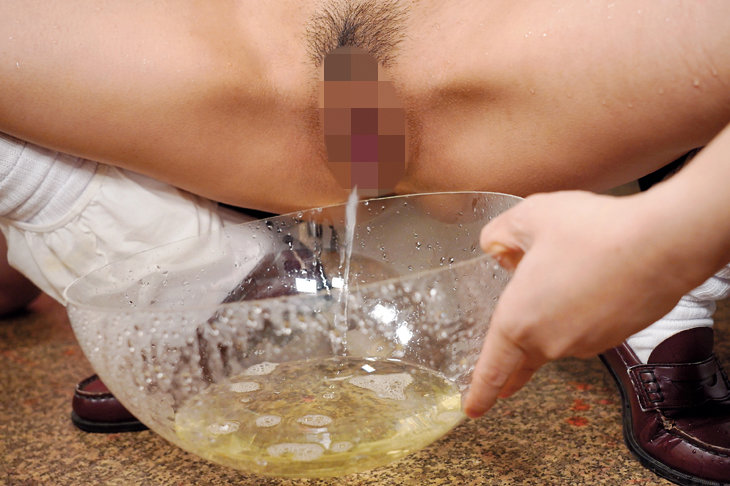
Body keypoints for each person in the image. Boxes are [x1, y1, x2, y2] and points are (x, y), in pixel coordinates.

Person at [1, 1, 729, 484]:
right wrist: (49, 200)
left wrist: (669, 235)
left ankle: (660, 259)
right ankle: (191, 257)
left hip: (543, 83)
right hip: (224, 104)